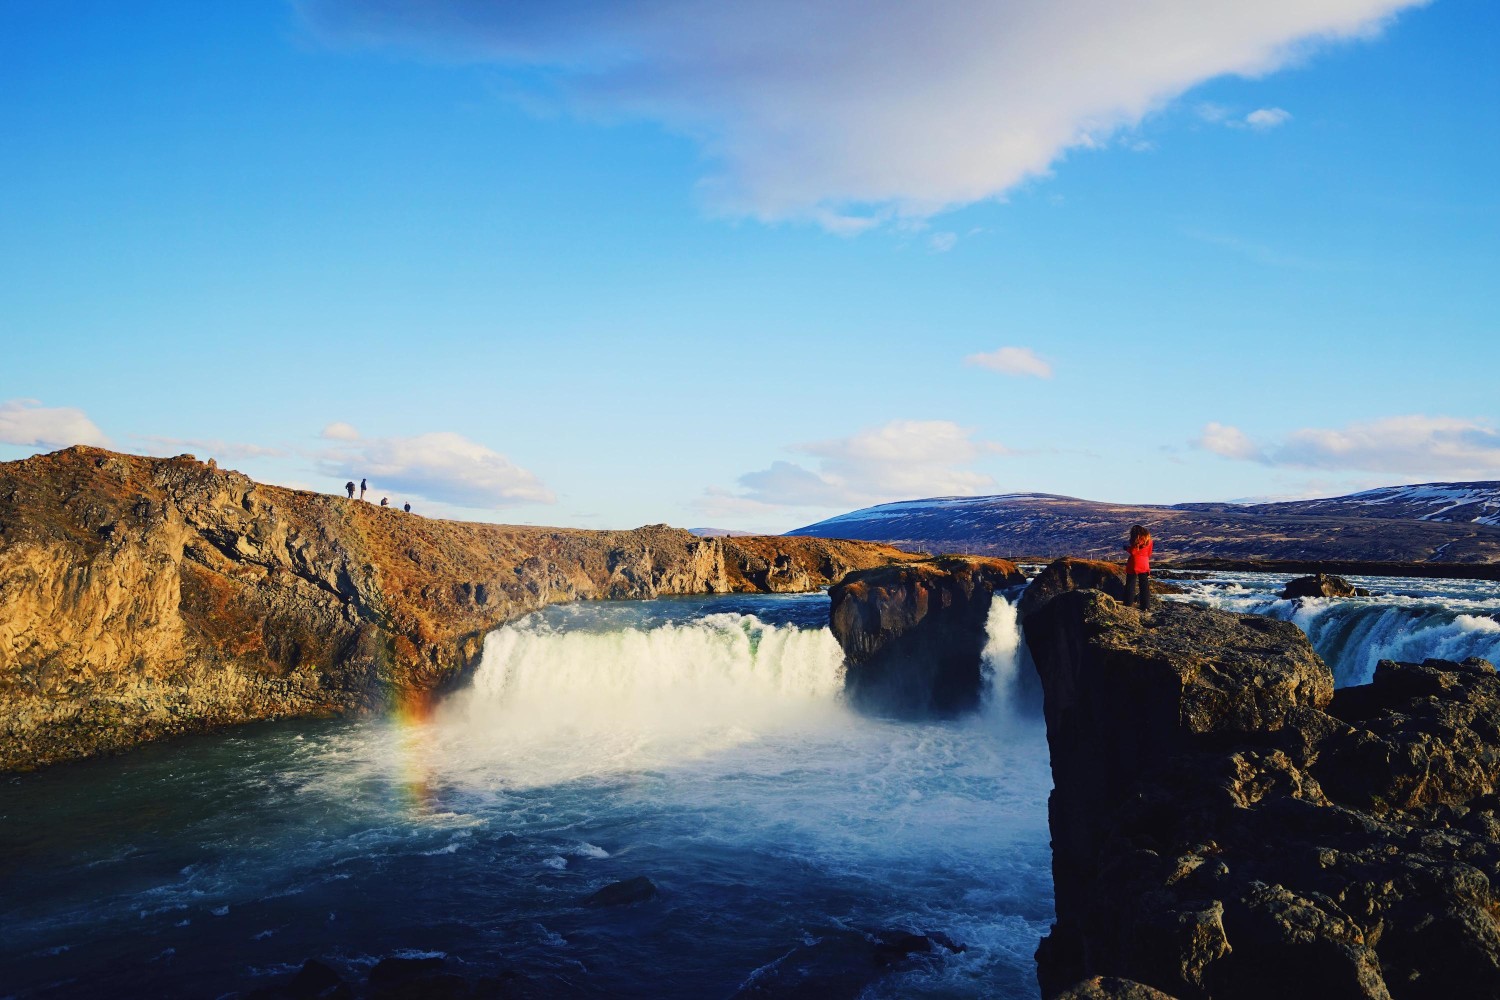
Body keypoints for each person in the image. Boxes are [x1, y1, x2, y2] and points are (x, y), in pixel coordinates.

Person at [1124, 524, 1153, 611]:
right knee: (1144, 585)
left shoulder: (1135, 540)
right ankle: (1146, 606)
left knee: (1130, 584)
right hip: (1145, 563)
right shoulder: (1149, 541)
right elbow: (1149, 553)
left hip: (1134, 563)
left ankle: (1128, 604)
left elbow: (1133, 552)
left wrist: (1127, 548)